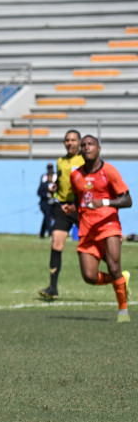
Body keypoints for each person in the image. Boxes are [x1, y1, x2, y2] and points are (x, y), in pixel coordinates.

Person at [67, 135, 132, 321]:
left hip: (108, 225)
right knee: (89, 276)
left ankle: (123, 311)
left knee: (113, 267)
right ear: (80, 150)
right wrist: (70, 208)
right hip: (87, 229)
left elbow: (127, 200)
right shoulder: (76, 175)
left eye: (91, 144)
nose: (87, 148)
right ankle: (121, 279)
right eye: (84, 145)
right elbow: (78, 201)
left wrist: (103, 202)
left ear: (99, 148)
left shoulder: (109, 171)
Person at [39, 130, 84, 300]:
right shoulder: (60, 161)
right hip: (63, 208)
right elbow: (60, 181)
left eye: (73, 140)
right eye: (67, 140)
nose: (70, 143)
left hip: (80, 208)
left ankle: (117, 276)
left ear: (79, 142)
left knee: (95, 245)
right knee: (56, 245)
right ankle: (53, 287)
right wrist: (55, 188)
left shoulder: (84, 160)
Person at [37, 163, 56, 238]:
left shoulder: (54, 184)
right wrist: (47, 195)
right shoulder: (44, 183)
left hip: (52, 203)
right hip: (44, 203)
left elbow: (56, 193)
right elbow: (39, 192)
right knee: (47, 216)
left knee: (47, 218)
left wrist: (54, 195)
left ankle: (42, 233)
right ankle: (50, 233)